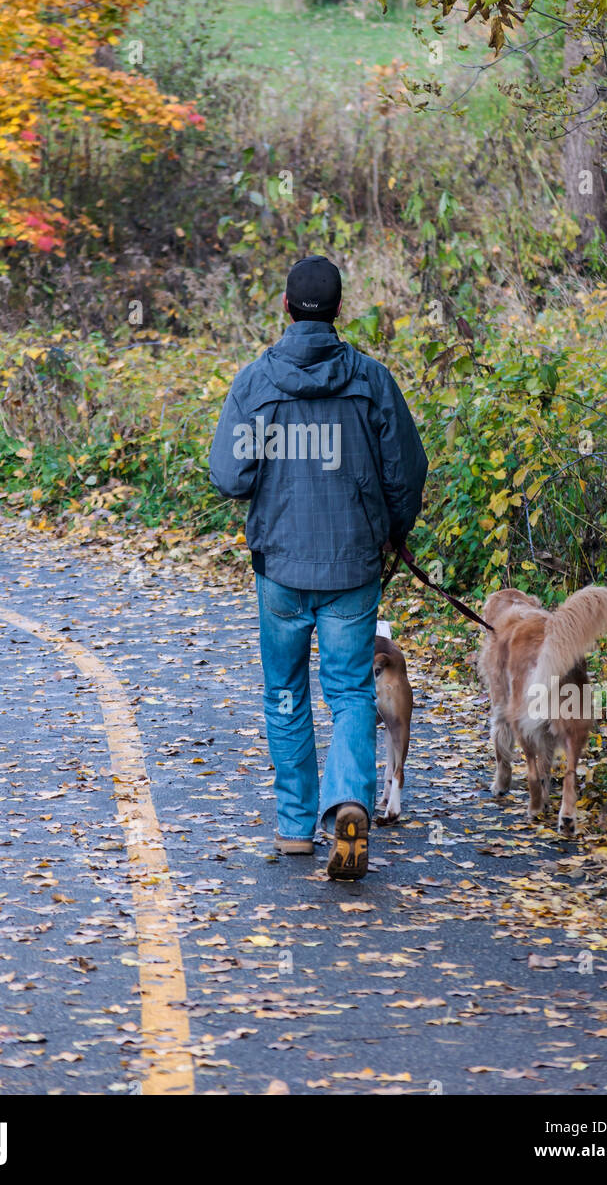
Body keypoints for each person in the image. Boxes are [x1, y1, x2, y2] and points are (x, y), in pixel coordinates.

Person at [208, 256, 428, 879]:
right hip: (353, 568)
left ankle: (294, 827)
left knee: (285, 692)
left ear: (284, 306)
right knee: (352, 691)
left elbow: (230, 476)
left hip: (279, 565)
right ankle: (351, 800)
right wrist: (395, 529)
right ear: (338, 309)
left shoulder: (256, 383)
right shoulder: (372, 381)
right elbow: (406, 471)